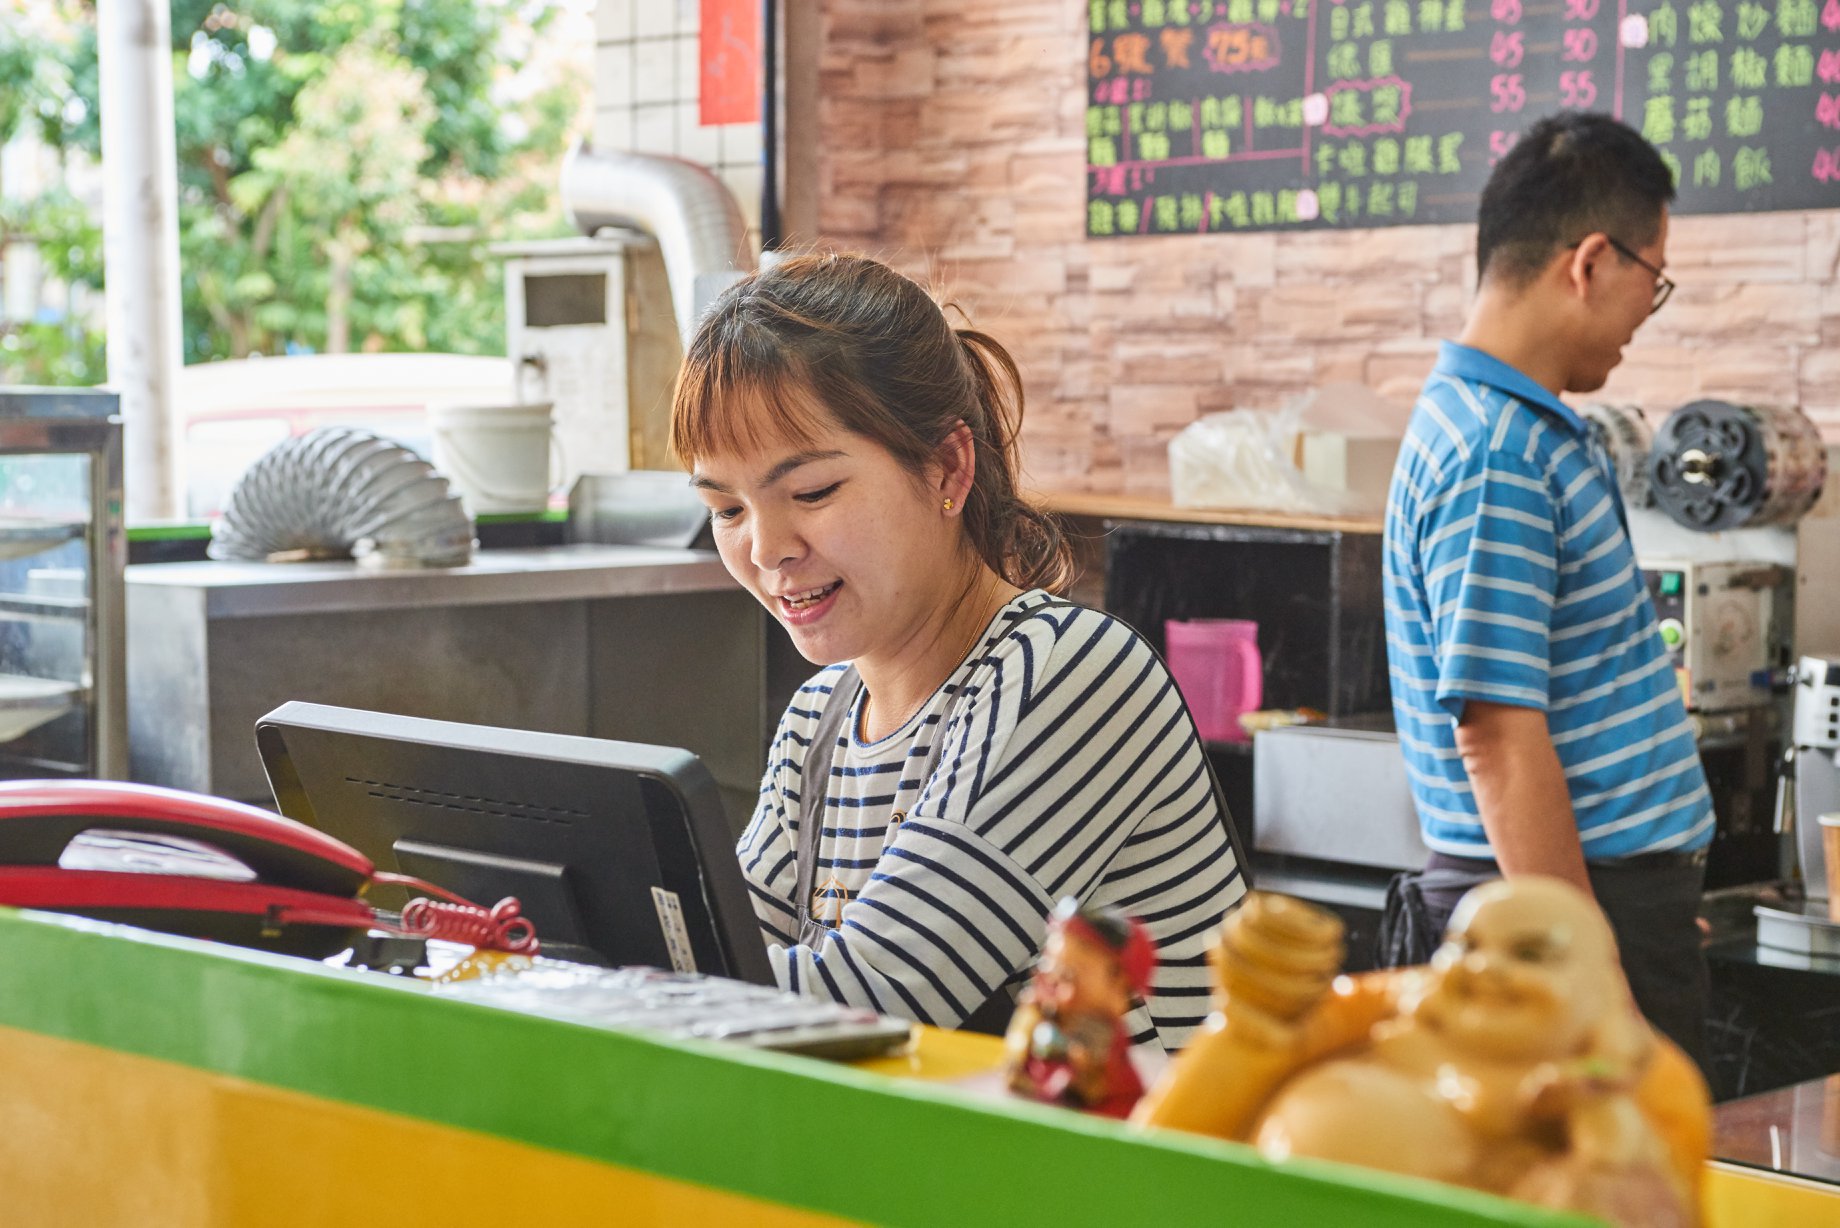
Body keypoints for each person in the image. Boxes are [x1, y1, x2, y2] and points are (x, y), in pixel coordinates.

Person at [671, 252, 1248, 1052]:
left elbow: (875, 999)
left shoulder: (1067, 673)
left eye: (811, 494)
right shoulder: (821, 717)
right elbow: (714, 944)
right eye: (727, 508)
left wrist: (614, 970)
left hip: (1133, 1167)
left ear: (947, 467)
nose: (768, 548)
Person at [1379, 112, 1713, 1070]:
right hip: (1560, 927)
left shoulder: (1518, 430)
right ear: (1593, 262)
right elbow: (1496, 733)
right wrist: (1593, 976)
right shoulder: (1498, 452)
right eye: (1654, 279)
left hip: (1594, 907)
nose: (1649, 312)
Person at [1134, 881, 1710, 1228]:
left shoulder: (1622, 1083)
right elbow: (1161, 1151)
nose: (1485, 967)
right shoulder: (1378, 1014)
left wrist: (1595, 1118)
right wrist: (1250, 1026)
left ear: (1601, 991)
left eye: (1531, 955)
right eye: (1466, 946)